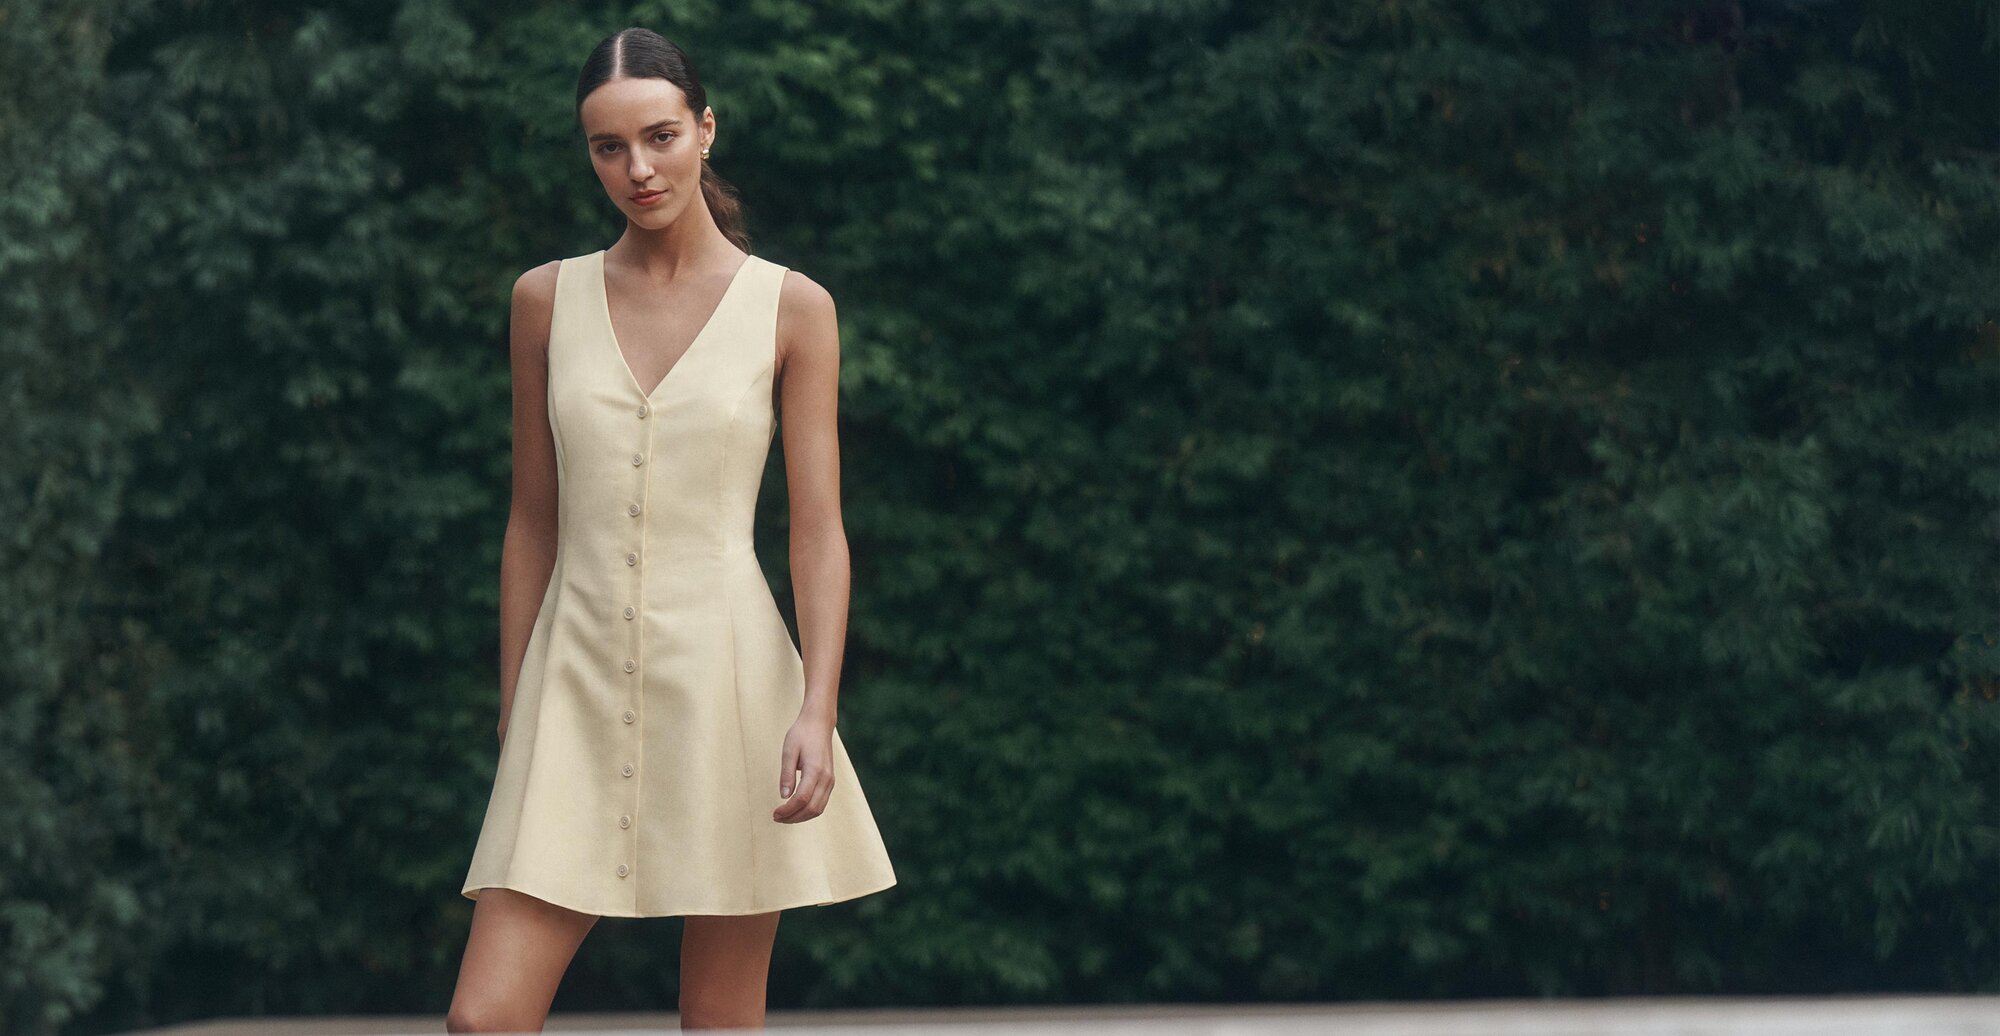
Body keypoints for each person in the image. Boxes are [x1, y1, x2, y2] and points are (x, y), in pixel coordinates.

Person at [446, 27, 897, 1033]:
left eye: (657, 136)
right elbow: (532, 520)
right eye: (607, 147)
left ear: (704, 128)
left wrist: (815, 709)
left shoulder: (793, 308)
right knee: (483, 1018)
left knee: (720, 1020)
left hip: (731, 679)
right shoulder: (542, 301)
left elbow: (817, 532)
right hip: (572, 673)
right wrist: (517, 698)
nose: (637, 168)